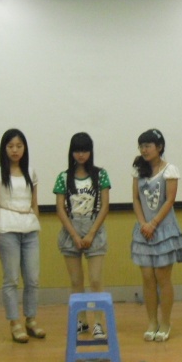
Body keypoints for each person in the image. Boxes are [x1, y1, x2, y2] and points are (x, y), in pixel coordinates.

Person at [0, 128, 45, 343]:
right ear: (4, 148)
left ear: (24, 148)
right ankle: (14, 323)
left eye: (19, 146)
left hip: (29, 229)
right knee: (11, 279)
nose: (15, 150)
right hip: (7, 229)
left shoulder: (30, 171)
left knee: (33, 278)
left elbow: (34, 203)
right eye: (10, 146)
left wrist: (35, 222)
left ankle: (31, 320)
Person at [131, 128, 182, 342]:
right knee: (147, 278)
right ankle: (152, 322)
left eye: (148, 146)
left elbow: (169, 200)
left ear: (159, 147)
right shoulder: (138, 170)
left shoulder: (169, 170)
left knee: (163, 277)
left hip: (163, 230)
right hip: (144, 230)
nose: (144, 150)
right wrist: (143, 224)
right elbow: (136, 199)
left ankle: (165, 322)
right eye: (141, 146)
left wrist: (154, 223)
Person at [53, 132, 111, 339]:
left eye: (85, 150)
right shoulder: (63, 177)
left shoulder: (101, 175)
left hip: (94, 230)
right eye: (77, 150)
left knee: (95, 280)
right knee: (76, 281)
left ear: (90, 151)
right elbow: (60, 208)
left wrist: (91, 234)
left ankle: (98, 323)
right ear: (72, 152)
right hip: (71, 231)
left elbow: (105, 206)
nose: (81, 155)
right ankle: (82, 320)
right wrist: (75, 235)